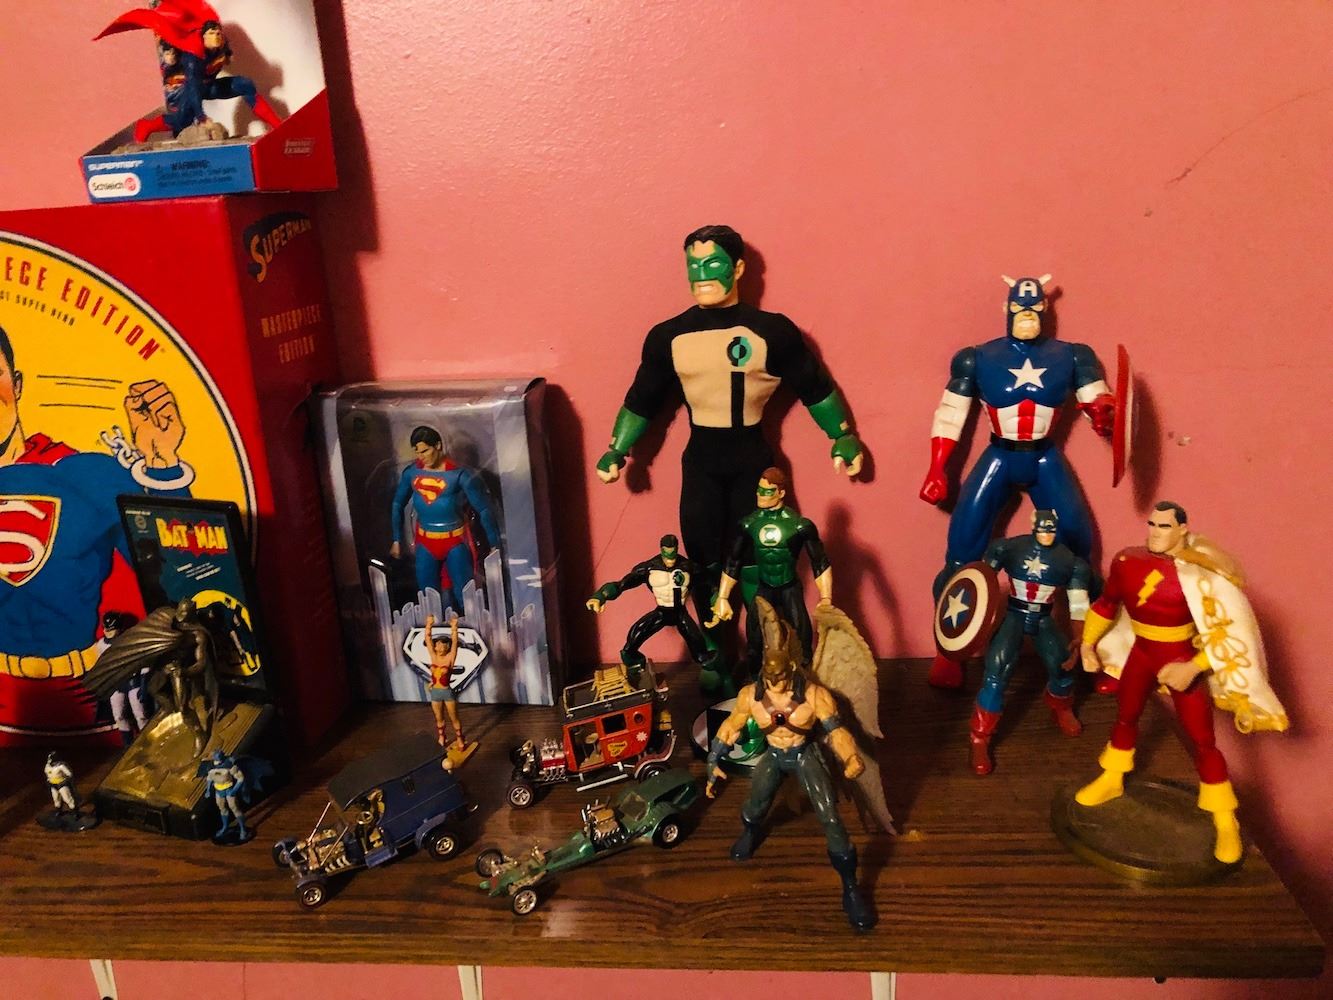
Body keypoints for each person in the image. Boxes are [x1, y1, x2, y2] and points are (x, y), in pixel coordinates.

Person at [595, 225, 861, 639]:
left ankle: (765, 648)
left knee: (759, 556)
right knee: (701, 560)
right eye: (693, 265)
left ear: (737, 268)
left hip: (753, 461)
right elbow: (642, 399)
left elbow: (815, 387)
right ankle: (714, 653)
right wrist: (618, 448)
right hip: (701, 462)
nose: (702, 275)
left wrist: (841, 436)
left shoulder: (773, 331)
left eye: (713, 264)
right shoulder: (669, 336)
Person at [918, 275, 1114, 689]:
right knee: (962, 549)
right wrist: (937, 468)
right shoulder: (977, 358)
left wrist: (1103, 413)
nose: (1026, 315)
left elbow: (1098, 400)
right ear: (1006, 308)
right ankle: (950, 649)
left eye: (1033, 307)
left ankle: (1097, 651)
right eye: (1019, 307)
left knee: (1080, 550)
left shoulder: (1072, 356)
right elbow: (951, 415)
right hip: (1000, 455)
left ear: (1044, 308)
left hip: (1044, 456)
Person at [0, 323, 192, 744]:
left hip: (91, 691)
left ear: (17, 383)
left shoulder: (85, 473)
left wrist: (162, 465)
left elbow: (181, 576)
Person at [1075, 501, 1288, 864]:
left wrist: (1193, 666)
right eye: (1152, 524)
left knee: (1203, 740)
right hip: (1142, 654)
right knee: (1126, 716)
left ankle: (1224, 818)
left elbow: (1230, 631)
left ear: (1182, 529)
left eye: (1164, 526)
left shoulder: (1202, 573)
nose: (1155, 532)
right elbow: (1107, 604)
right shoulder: (1127, 561)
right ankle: (1112, 777)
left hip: (1179, 659)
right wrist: (1087, 644)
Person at [705, 598, 873, 930]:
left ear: (791, 669)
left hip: (804, 754)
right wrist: (713, 759)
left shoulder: (813, 695)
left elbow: (837, 731)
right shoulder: (750, 696)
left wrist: (851, 757)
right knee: (754, 805)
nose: (775, 684)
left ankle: (851, 887)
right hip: (773, 755)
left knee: (829, 815)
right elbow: (730, 727)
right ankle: (750, 832)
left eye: (780, 677)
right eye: (769, 677)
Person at [969, 509, 1092, 775]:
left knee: (1062, 663)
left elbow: (1078, 605)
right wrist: (972, 624)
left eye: (1051, 529)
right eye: (1042, 528)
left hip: (1044, 617)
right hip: (1015, 613)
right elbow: (980, 582)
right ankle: (980, 736)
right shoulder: (1010, 548)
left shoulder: (1070, 562)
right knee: (997, 669)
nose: (1047, 534)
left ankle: (1061, 706)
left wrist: (1080, 637)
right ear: (1034, 525)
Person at [709, 468, 831, 666]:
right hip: (764, 587)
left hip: (789, 586)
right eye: (759, 490)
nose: (760, 495)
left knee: (801, 639)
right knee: (755, 640)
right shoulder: (749, 524)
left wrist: (826, 598)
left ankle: (802, 678)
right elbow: (733, 560)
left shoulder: (799, 525)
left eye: (767, 491)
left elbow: (819, 561)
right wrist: (722, 597)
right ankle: (757, 679)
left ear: (781, 493)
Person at [586, 533, 726, 694]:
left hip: (680, 613)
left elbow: (711, 583)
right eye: (667, 554)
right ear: (661, 550)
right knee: (633, 640)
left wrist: (718, 601)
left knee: (700, 650)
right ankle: (636, 675)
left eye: (673, 554)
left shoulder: (689, 567)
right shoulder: (649, 568)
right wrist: (600, 596)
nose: (670, 560)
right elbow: (623, 584)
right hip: (661, 612)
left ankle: (713, 684)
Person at [389, 426, 499, 612]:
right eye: (417, 452)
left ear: (438, 445)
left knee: (465, 593)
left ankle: (470, 625)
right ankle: (434, 627)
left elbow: (484, 509)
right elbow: (397, 504)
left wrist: (494, 543)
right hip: (426, 542)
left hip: (454, 541)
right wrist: (397, 540)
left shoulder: (459, 475)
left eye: (425, 451)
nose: (421, 457)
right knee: (428, 595)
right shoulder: (411, 473)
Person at [423, 614, 465, 751]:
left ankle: (459, 738)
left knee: (454, 718)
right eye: (438, 645)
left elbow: (455, 644)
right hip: (435, 692)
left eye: (444, 645)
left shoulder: (449, 659)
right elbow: (427, 639)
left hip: (447, 692)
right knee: (439, 718)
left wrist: (454, 628)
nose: (441, 648)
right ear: (435, 647)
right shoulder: (434, 657)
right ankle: (442, 737)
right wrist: (429, 625)